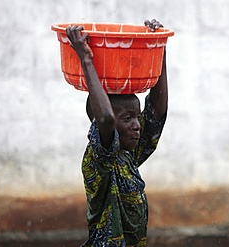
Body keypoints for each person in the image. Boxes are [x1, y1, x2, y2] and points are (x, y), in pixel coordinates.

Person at [66, 19, 168, 247]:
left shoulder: (128, 155)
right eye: (128, 118)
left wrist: (159, 48)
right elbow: (105, 119)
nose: (137, 125)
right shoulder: (100, 161)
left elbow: (157, 113)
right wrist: (85, 58)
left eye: (137, 117)